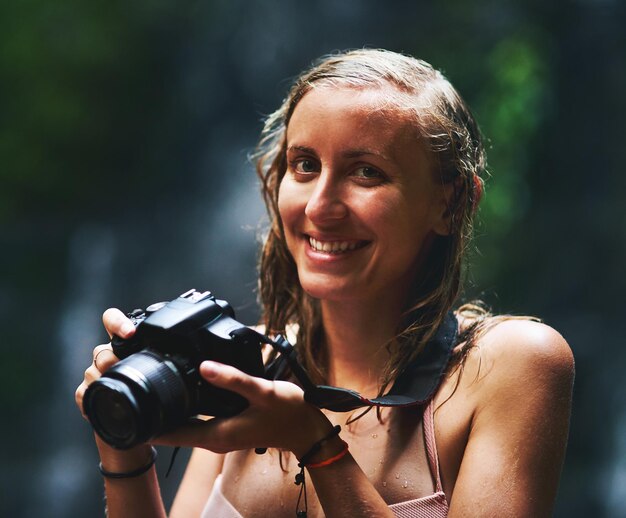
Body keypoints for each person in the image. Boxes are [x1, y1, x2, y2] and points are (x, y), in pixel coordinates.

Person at [75, 48, 574, 517]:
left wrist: (314, 443)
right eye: (305, 165)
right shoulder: (254, 366)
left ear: (451, 203)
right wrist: (121, 434)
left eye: (366, 173)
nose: (319, 207)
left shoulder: (509, 365)